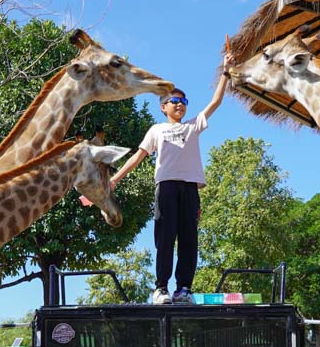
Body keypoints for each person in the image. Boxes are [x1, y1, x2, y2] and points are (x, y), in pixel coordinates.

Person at [84, 46, 231, 303]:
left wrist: (226, 72)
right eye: (175, 101)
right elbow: (137, 157)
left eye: (184, 102)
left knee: (188, 240)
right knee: (165, 239)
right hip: (166, 188)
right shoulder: (157, 130)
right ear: (163, 107)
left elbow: (216, 102)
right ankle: (161, 288)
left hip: (190, 190)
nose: (180, 105)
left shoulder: (194, 126)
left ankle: (184, 288)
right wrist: (114, 180)